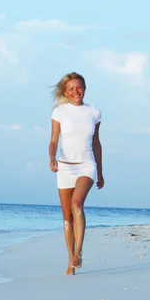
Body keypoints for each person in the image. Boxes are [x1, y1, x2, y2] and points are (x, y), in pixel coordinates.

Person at [48, 72, 104, 275]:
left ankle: (78, 253)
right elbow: (54, 140)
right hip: (64, 166)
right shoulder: (59, 112)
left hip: (87, 165)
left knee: (76, 205)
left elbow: (96, 143)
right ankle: (70, 260)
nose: (75, 92)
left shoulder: (94, 113)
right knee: (66, 218)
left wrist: (101, 172)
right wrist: (52, 158)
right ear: (65, 91)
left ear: (85, 89)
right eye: (71, 88)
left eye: (78, 87)